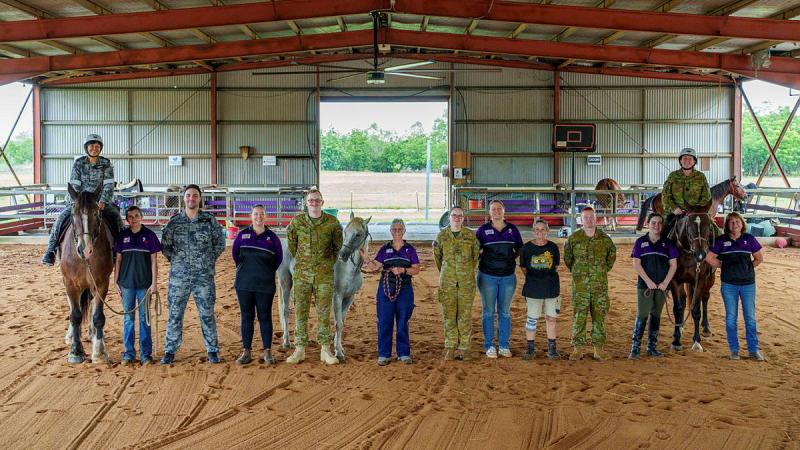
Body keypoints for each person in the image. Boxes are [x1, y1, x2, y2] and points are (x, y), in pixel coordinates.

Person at [160, 185, 226, 365]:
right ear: (184, 199)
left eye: (195, 196)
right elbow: (165, 246)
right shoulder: (174, 222)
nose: (191, 199)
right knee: (175, 314)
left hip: (203, 277)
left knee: (207, 313)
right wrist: (178, 262)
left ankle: (212, 350)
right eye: (188, 196)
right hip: (179, 278)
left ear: (200, 199)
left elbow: (220, 243)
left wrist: (207, 260)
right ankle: (170, 350)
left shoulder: (209, 220)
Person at [42, 134, 123, 265]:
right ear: (86, 148)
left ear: (100, 148)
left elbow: (109, 184)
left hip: (99, 202)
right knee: (61, 219)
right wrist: (77, 202)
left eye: (97, 146)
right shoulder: (78, 163)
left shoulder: (106, 163)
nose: (94, 149)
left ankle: (121, 250)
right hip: (79, 200)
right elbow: (74, 184)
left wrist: (102, 201)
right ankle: (50, 250)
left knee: (117, 218)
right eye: (91, 146)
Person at [285, 189, 343, 365]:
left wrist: (324, 264)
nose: (314, 203)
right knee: (300, 311)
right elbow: (292, 245)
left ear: (322, 202)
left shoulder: (332, 223)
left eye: (317, 200)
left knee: (324, 312)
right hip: (302, 274)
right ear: (306, 202)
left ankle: (325, 349)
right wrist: (306, 261)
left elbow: (336, 247)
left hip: (324, 275)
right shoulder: (297, 222)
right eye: (311, 200)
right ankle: (299, 349)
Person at [705, 212, 765, 361]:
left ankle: (753, 350)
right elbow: (709, 257)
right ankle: (734, 350)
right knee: (731, 318)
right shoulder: (721, 241)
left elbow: (759, 258)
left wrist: (747, 268)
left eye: (737, 221)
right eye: (731, 222)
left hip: (748, 285)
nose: (735, 224)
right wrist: (723, 265)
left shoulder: (749, 239)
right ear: (727, 225)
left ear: (742, 223)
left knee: (750, 318)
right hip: (729, 285)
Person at [363, 219, 421, 366]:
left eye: (399, 229)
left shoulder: (410, 249)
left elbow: (416, 269)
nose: (396, 232)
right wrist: (366, 259)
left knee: (403, 320)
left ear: (404, 231)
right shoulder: (384, 249)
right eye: (394, 230)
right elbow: (375, 267)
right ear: (390, 231)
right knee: (384, 320)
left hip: (405, 288)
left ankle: (403, 353)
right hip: (386, 287)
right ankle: (384, 354)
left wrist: (403, 270)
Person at [232, 205, 283, 365]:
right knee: (247, 317)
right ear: (251, 216)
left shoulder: (272, 238)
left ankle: (267, 352)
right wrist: (247, 270)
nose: (258, 217)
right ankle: (246, 351)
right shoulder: (242, 235)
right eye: (255, 214)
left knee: (265, 316)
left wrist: (264, 272)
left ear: (265, 216)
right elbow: (235, 256)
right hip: (244, 284)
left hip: (265, 285)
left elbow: (278, 259)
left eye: (262, 214)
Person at [564, 206, 616, 361]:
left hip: (599, 287)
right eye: (585, 217)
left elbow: (610, 259)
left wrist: (598, 273)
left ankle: (598, 349)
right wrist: (580, 274)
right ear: (581, 219)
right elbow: (568, 261)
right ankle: (577, 349)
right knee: (579, 317)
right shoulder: (573, 239)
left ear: (596, 218)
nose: (589, 220)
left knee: (599, 317)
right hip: (580, 288)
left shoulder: (605, 239)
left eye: (591, 217)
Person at [113, 205, 161, 365]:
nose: (133, 219)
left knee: (144, 319)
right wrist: (115, 281)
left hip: (145, 285)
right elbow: (118, 260)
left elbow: (154, 261)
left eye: (136, 216)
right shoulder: (122, 236)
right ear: (127, 220)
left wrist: (154, 283)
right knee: (128, 319)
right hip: (126, 285)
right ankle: (129, 353)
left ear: (141, 217)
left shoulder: (150, 235)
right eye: (130, 217)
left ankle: (146, 354)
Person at [476, 200, 523, 358]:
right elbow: (475, 251)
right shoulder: (482, 230)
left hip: (507, 277)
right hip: (487, 276)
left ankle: (504, 345)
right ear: (489, 212)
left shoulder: (512, 229)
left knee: (504, 312)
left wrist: (509, 259)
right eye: (493, 209)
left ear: (504, 211)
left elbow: (519, 248)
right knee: (488, 312)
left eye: (499, 209)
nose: (496, 211)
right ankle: (489, 345)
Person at [629, 213, 678, 360]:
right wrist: (648, 281)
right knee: (643, 314)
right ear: (648, 224)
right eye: (653, 223)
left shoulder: (668, 244)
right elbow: (636, 264)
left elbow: (673, 265)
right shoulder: (640, 242)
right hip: (645, 286)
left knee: (656, 315)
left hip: (662, 287)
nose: (656, 226)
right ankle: (635, 347)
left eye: (659, 223)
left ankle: (652, 346)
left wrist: (665, 283)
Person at [434, 206, 480, 361]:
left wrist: (464, 272)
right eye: (454, 215)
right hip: (447, 283)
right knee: (449, 315)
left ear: (463, 218)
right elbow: (438, 259)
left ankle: (465, 347)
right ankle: (450, 346)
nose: (457, 218)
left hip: (466, 283)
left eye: (460, 216)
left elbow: (475, 258)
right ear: (449, 217)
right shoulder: (441, 236)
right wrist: (449, 273)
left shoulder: (470, 236)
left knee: (465, 315)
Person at [519, 220, 561, 360]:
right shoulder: (526, 249)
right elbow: (524, 267)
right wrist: (534, 278)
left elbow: (554, 267)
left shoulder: (553, 247)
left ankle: (552, 349)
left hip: (551, 287)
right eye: (537, 229)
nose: (540, 232)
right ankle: (530, 348)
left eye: (543, 229)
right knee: (532, 318)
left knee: (551, 318)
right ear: (533, 231)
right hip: (533, 288)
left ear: (547, 231)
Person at [662, 147, 712, 238]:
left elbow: (706, 196)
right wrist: (674, 209)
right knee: (663, 232)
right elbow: (665, 196)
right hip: (675, 213)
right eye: (684, 158)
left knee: (713, 230)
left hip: (696, 212)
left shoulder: (701, 176)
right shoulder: (673, 176)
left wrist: (697, 209)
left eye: (690, 158)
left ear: (694, 161)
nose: (687, 161)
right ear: (680, 161)